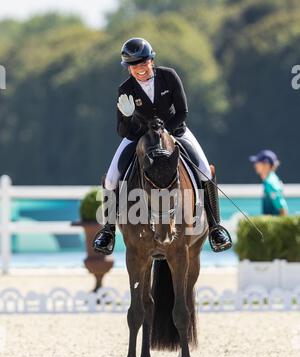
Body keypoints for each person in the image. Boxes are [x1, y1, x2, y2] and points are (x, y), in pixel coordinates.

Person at [93, 37, 232, 254]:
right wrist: (128, 117)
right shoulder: (125, 89)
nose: (139, 69)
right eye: (133, 66)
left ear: (151, 61)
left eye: (142, 64)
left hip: (176, 131)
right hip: (140, 138)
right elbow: (122, 131)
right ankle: (108, 230)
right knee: (111, 178)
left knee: (204, 170)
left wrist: (165, 129)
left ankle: (215, 227)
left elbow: (183, 111)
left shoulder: (168, 76)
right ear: (128, 68)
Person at [249, 149, 288, 216]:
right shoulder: (270, 179)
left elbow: (282, 207)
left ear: (266, 165)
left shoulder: (270, 182)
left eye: (258, 162)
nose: (255, 165)